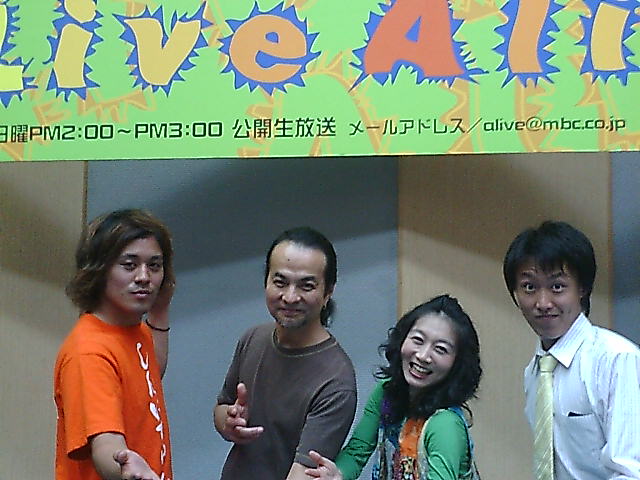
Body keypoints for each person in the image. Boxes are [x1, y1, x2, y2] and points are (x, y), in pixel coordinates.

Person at [214, 227, 357, 480]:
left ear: (328, 292)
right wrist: (230, 423)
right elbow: (222, 408)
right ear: (266, 282)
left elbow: (303, 474)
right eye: (280, 282)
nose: (290, 297)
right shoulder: (253, 338)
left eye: (306, 286)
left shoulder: (336, 380)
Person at [503, 220, 640, 479]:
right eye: (530, 287)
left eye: (557, 287)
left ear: (582, 288)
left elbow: (631, 472)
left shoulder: (616, 359)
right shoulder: (535, 372)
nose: (543, 303)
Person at [54, 209, 175, 480]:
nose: (144, 277)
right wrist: (127, 467)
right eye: (129, 265)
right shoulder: (89, 352)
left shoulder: (135, 329)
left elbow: (150, 375)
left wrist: (160, 310)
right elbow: (105, 444)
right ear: (99, 270)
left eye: (154, 266)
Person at [306, 294, 482, 480]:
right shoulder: (386, 392)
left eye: (440, 349)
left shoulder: (445, 424)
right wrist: (337, 474)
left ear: (458, 364)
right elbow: (357, 451)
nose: (423, 356)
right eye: (418, 340)